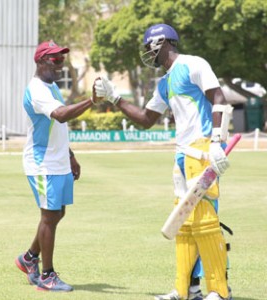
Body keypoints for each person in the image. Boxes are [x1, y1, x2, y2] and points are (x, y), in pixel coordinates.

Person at [94, 24, 233, 300]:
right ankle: (184, 290)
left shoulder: (193, 64)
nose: (147, 52)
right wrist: (115, 98)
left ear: (162, 43)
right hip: (181, 155)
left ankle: (218, 290)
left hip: (203, 149)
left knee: (205, 223)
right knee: (183, 225)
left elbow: (218, 97)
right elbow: (147, 119)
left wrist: (217, 140)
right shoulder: (164, 82)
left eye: (149, 46)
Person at [15, 40, 100, 292]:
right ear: (40, 61)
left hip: (58, 161)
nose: (60, 65)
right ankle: (47, 276)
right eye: (55, 60)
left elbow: (59, 127)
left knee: (58, 213)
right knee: (49, 216)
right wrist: (91, 101)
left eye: (62, 60)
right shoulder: (37, 89)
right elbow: (61, 115)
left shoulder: (51, 86)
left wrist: (70, 155)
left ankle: (29, 257)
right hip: (42, 163)